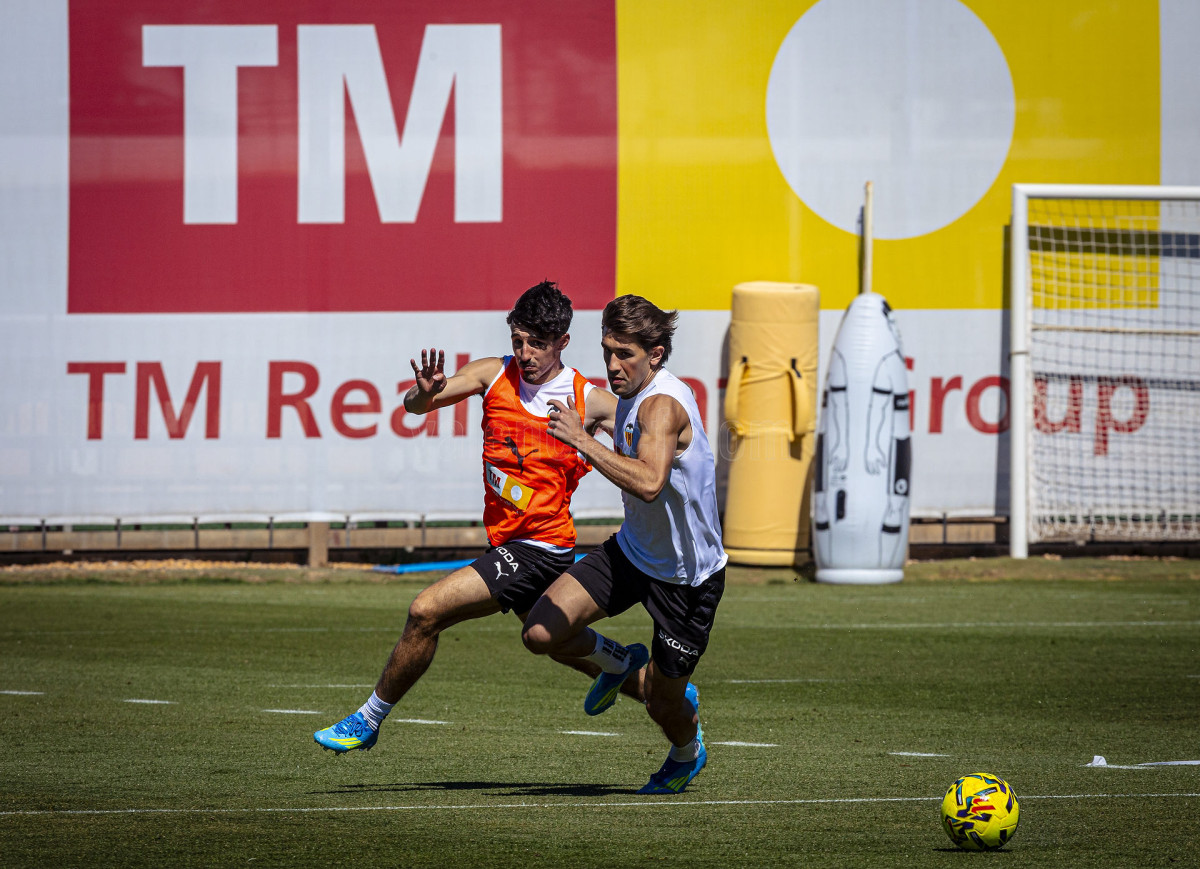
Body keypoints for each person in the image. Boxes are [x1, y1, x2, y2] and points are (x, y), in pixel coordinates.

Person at [314, 281, 646, 754]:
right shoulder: (493, 373)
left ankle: (367, 720)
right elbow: (416, 406)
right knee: (552, 640)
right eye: (518, 340)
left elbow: (648, 450)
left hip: (543, 548)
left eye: (538, 343)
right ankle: (657, 690)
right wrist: (423, 394)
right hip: (506, 542)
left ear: (563, 343)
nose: (525, 353)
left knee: (426, 611)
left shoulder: (587, 400)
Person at [521, 294, 727, 794]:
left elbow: (651, 482)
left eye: (624, 354)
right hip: (632, 553)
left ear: (655, 354)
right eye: (607, 351)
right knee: (541, 632)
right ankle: (622, 661)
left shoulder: (661, 405)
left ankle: (686, 753)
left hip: (686, 580)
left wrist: (582, 440)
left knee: (662, 703)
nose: (613, 365)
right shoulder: (630, 394)